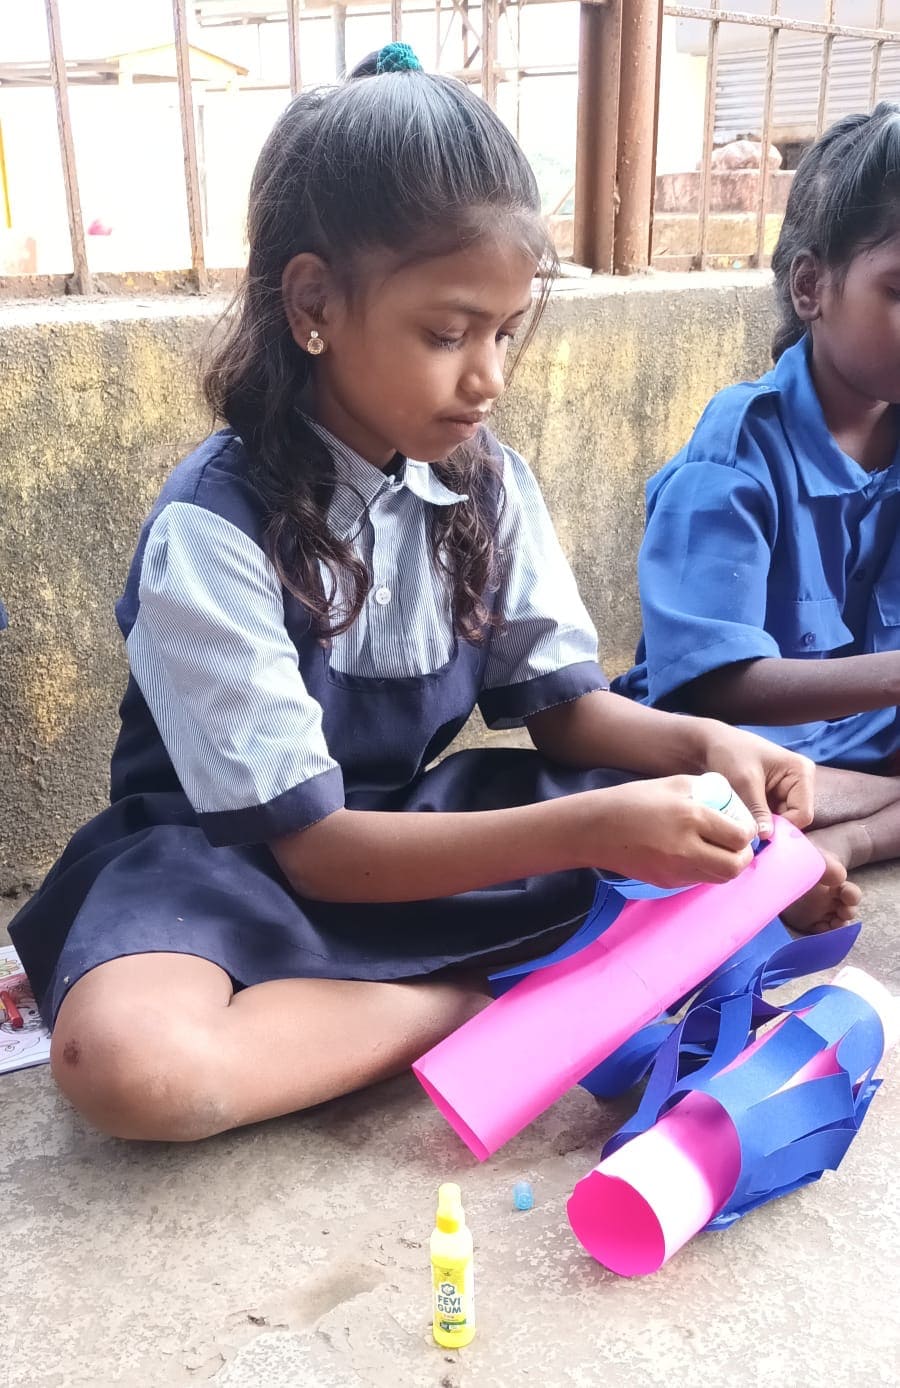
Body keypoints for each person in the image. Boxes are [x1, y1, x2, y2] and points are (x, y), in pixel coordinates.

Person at [10, 44, 814, 1143]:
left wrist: (704, 744)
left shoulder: (489, 481)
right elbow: (315, 848)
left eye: (504, 332)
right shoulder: (211, 528)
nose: (488, 377)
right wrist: (595, 828)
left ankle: (524, 966)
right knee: (129, 1066)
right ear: (314, 304)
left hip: (417, 831)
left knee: (693, 829)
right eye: (447, 334)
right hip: (225, 865)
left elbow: (567, 714)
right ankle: (474, 1004)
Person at [616, 103, 900, 933]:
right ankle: (804, 832)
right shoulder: (733, 457)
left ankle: (840, 842)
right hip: (738, 759)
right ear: (811, 287)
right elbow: (710, 686)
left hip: (863, 754)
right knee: (695, 803)